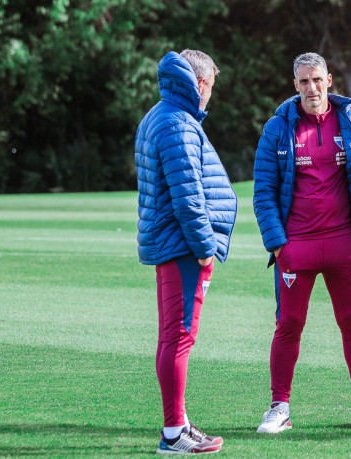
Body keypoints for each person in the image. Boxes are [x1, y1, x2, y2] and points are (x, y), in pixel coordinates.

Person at [253, 52, 351, 433]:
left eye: (317, 80)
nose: (311, 88)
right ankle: (280, 408)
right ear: (295, 86)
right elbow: (263, 191)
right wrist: (278, 244)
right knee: (288, 324)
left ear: (329, 81)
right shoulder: (278, 128)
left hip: (346, 243)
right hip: (298, 246)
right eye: (304, 82)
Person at [135, 49, 236, 455]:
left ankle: (178, 425)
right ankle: (174, 433)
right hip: (182, 247)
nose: (210, 94)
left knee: (174, 335)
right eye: (210, 85)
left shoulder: (162, 114)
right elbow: (187, 196)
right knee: (179, 336)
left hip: (171, 245)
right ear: (199, 83)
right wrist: (204, 247)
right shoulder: (176, 122)